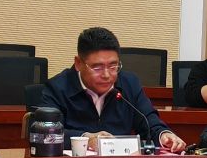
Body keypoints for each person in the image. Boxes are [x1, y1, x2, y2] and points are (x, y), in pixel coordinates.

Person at [42, 27, 186, 151]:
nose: (107, 75)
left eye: (113, 66)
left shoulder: (129, 84)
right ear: (78, 63)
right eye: (97, 67)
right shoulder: (57, 88)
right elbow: (47, 133)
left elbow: (148, 120)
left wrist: (163, 134)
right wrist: (86, 138)